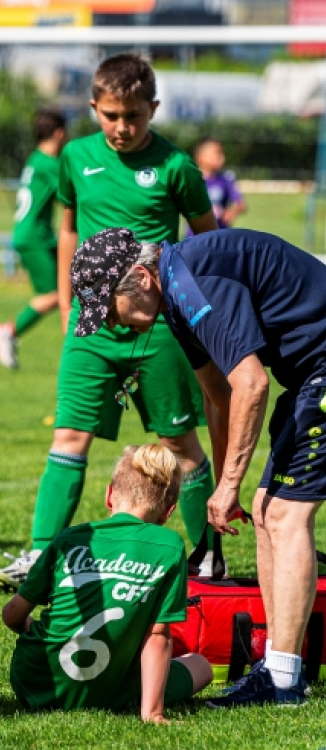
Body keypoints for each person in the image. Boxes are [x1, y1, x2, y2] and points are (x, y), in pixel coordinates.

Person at [0, 53, 219, 593]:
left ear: (153, 109)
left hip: (159, 327)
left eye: (133, 116)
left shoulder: (176, 166)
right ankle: (41, 559)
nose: (122, 127)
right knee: (69, 436)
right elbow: (67, 229)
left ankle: (206, 557)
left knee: (179, 442)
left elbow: (208, 240)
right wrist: (68, 304)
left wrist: (195, 309)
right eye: (111, 115)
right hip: (91, 328)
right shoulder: (75, 158)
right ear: (95, 108)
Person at [70, 225, 324, 707]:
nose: (111, 324)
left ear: (140, 277)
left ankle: (285, 682)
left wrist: (226, 485)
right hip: (309, 378)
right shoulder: (177, 301)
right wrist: (233, 481)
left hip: (321, 371)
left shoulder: (194, 281)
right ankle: (277, 667)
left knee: (288, 516)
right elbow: (219, 396)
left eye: (108, 309)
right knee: (268, 507)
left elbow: (251, 384)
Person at [3, 443, 212, 720]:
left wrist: (33, 627)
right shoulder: (169, 546)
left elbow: (12, 615)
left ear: (109, 495)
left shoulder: (71, 538)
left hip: (35, 682)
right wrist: (152, 713)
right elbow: (158, 637)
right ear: (168, 511)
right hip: (110, 689)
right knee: (201, 666)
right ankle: (139, 698)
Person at [0, 106, 66, 370]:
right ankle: (8, 331)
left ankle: (88, 342)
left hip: (37, 236)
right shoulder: (51, 164)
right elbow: (71, 197)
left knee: (78, 286)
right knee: (54, 295)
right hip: (35, 238)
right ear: (59, 133)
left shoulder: (35, 159)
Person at [185, 138, 246, 236]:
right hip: (194, 237)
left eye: (222, 154)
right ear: (200, 157)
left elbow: (241, 204)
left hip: (220, 235)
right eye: (217, 154)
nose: (222, 158)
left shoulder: (226, 178)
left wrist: (232, 212)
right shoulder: (191, 179)